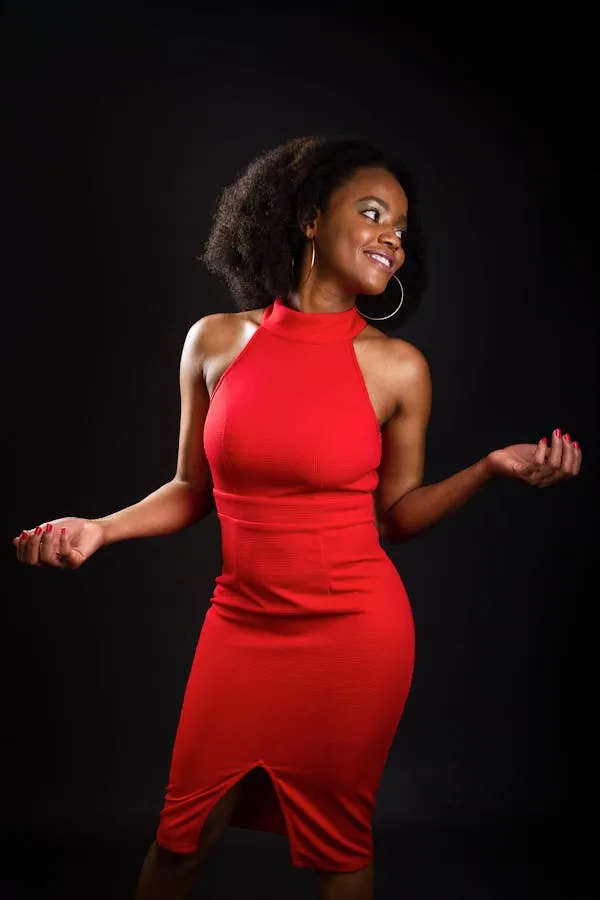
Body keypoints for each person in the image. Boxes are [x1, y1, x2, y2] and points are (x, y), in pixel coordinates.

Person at [14, 137, 581, 900]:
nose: (392, 237)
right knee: (181, 838)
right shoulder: (214, 341)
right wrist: (99, 529)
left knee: (338, 849)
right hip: (240, 624)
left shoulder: (398, 367)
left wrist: (487, 470)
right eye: (373, 213)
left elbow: (400, 518)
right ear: (309, 219)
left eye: (402, 229)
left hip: (354, 634)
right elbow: (192, 488)